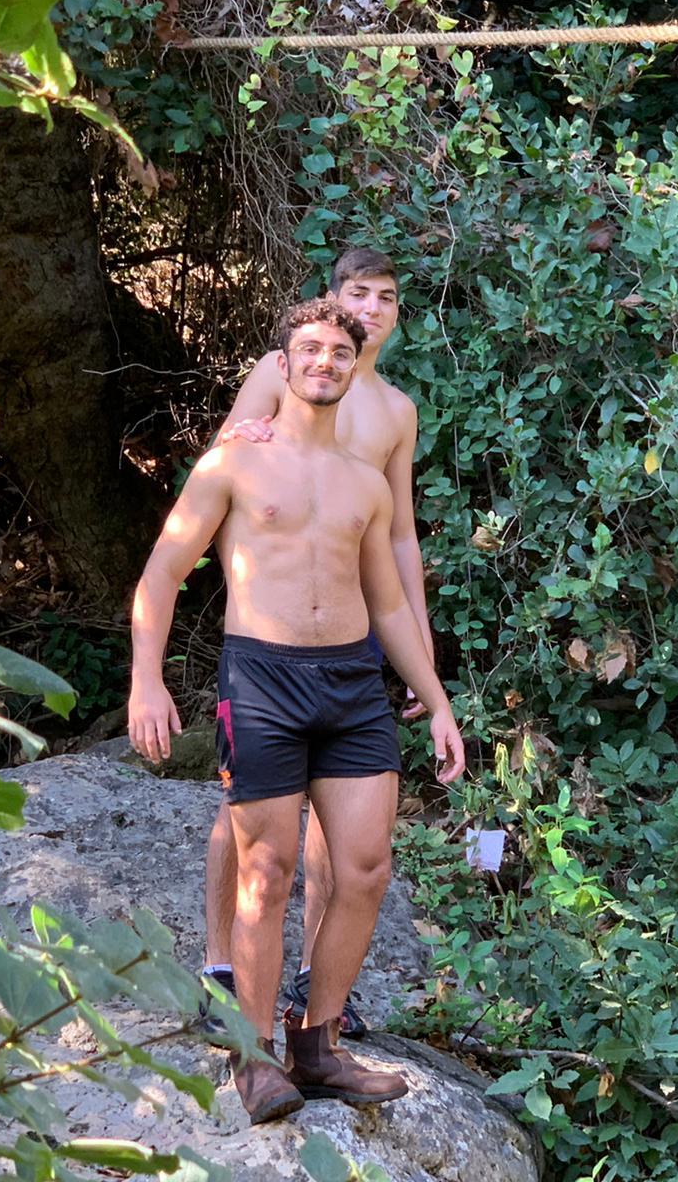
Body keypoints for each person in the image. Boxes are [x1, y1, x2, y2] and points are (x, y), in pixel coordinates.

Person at [128, 297, 465, 1124]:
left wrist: (436, 700)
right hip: (263, 682)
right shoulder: (233, 464)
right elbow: (163, 572)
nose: (325, 362)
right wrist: (146, 680)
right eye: (309, 349)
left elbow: (389, 605)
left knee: (364, 868)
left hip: (352, 687)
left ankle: (317, 1045)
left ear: (354, 368)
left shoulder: (364, 483)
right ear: (282, 365)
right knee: (268, 871)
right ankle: (254, 1056)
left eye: (339, 353)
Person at [200, 248, 433, 1038]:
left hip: (359, 625)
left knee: (345, 820)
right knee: (248, 811)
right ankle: (222, 968)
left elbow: (398, 538)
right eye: (356, 293)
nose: (370, 308)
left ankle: (314, 983)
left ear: (396, 315)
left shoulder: (395, 411)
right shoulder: (288, 367)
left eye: (385, 297)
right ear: (331, 298)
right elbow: (229, 470)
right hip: (272, 636)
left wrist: (420, 651)